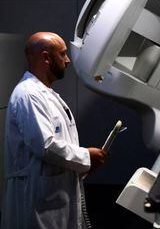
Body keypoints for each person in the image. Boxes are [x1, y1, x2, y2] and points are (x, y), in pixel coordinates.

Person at [1, 32, 108, 229]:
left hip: (54, 197)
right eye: (63, 54)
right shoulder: (28, 95)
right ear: (46, 57)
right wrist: (85, 157)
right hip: (37, 202)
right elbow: (45, 145)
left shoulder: (46, 93)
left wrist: (82, 165)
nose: (67, 60)